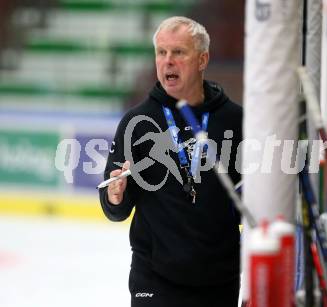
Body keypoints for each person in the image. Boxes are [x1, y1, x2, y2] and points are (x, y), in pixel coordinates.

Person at [99, 16, 243, 307]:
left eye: (179, 52)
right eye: (161, 52)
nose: (168, 61)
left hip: (219, 279)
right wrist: (115, 196)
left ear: (202, 60)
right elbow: (115, 208)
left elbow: (251, 200)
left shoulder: (235, 121)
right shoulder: (137, 123)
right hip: (154, 279)